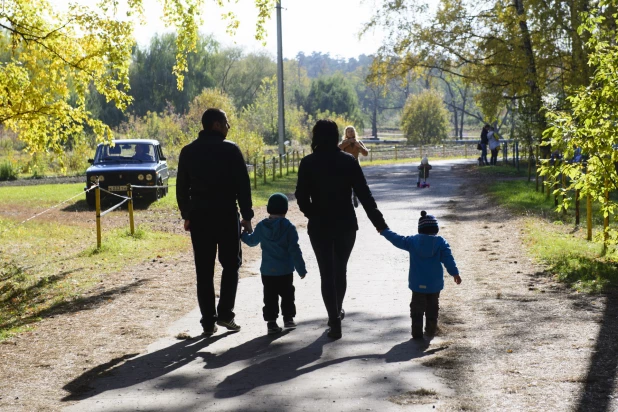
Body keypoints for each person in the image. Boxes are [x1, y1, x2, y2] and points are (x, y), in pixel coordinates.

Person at [295, 119, 388, 339]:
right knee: (340, 270)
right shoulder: (348, 161)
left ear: (316, 137)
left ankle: (334, 319)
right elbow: (364, 194)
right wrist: (379, 223)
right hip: (346, 224)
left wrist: (313, 213)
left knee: (327, 273)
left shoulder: (308, 162)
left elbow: (300, 197)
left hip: (319, 225)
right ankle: (336, 310)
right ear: (336, 136)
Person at [176, 108, 254, 336]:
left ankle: (208, 322)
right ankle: (226, 315)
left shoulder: (188, 151)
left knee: (204, 270)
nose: (229, 127)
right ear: (217, 125)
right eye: (226, 123)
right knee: (231, 265)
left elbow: (182, 189)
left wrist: (187, 214)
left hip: (200, 217)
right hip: (226, 214)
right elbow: (243, 185)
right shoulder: (231, 150)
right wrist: (246, 216)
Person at [380, 211, 461, 339]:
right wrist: (455, 273)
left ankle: (416, 333)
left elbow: (396, 239)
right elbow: (448, 259)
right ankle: (431, 329)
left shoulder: (412, 241)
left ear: (420, 229)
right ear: (436, 229)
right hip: (434, 284)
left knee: (416, 309)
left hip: (417, 284)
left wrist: (384, 231)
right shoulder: (441, 242)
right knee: (432, 307)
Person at [241, 193, 307, 334]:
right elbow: (295, 250)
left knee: (269, 297)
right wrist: (301, 269)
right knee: (288, 294)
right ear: (286, 209)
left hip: (267, 271)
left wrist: (242, 235)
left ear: (268, 208)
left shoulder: (262, 226)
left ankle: (271, 323)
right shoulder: (289, 227)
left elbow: (252, 241)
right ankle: (288, 318)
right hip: (285, 270)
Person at [338, 126, 369, 208]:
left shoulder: (358, 142)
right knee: (346, 183)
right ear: (346, 134)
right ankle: (347, 200)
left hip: (355, 165)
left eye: (352, 131)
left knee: (357, 182)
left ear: (355, 132)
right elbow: (338, 149)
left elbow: (366, 153)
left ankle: (355, 195)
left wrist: (359, 146)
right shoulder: (344, 142)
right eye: (349, 131)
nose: (351, 133)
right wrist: (348, 142)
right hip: (345, 166)